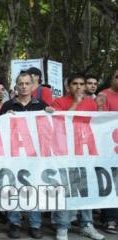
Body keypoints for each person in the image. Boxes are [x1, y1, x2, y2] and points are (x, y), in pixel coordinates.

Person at [50, 74, 104, 240]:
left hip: (85, 152)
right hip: (64, 152)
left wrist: (100, 108)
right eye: (75, 84)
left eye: (82, 84)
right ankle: (62, 226)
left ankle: (87, 224)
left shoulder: (91, 103)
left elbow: (98, 125)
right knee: (65, 188)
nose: (79, 87)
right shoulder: (58, 102)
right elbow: (60, 123)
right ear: (68, 86)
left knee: (85, 188)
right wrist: (76, 103)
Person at [0, 72, 49, 239]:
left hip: (35, 155)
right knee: (14, 188)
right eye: (20, 83)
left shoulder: (41, 105)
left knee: (34, 187)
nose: (24, 86)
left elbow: (49, 128)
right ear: (16, 85)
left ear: (32, 86)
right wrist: (5, 119)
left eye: (27, 83)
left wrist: (51, 114)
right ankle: (14, 223)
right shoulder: (7, 106)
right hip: (13, 154)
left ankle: (35, 225)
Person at [96, 69, 118, 234]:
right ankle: (109, 219)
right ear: (113, 78)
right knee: (111, 182)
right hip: (109, 147)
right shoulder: (103, 95)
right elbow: (99, 119)